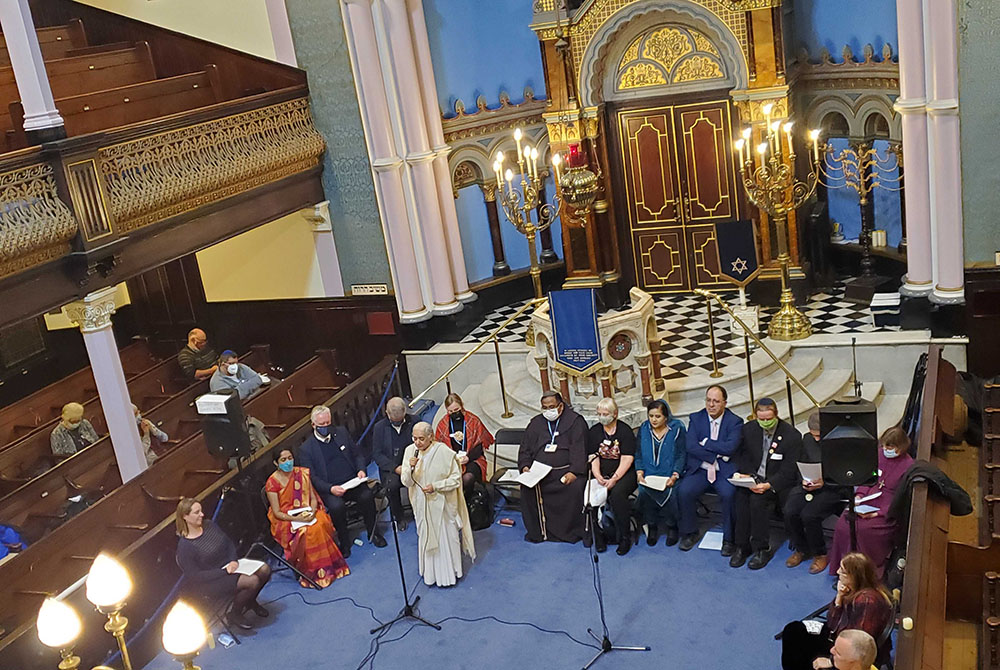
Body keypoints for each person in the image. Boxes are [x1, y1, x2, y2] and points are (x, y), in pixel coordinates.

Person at [297, 405, 386, 558]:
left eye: (327, 423)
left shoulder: (341, 433)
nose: (326, 427)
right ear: (313, 425)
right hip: (330, 488)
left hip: (352, 481)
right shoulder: (307, 449)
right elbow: (312, 477)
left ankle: (374, 532)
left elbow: (357, 454)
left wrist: (361, 470)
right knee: (336, 507)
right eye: (322, 425)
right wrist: (331, 489)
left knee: (366, 496)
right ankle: (344, 541)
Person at [781, 552, 893, 670]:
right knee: (793, 630)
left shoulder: (867, 602)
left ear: (854, 576)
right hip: (838, 632)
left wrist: (831, 661)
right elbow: (831, 622)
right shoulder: (852, 590)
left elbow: (857, 645)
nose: (838, 571)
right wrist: (839, 597)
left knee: (797, 642)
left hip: (847, 647)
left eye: (843, 571)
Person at [828, 425, 914, 577]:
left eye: (891, 447)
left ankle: (861, 572)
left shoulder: (909, 466)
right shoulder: (878, 454)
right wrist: (859, 496)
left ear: (901, 447)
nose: (886, 449)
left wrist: (878, 513)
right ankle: (845, 567)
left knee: (862, 530)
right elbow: (867, 477)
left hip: (887, 508)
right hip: (868, 497)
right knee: (843, 523)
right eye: (885, 445)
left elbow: (901, 498)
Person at [175, 498, 272, 630]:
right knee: (252, 581)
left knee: (265, 570)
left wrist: (233, 560)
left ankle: (249, 600)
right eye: (197, 513)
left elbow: (228, 543)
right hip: (212, 581)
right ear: (185, 517)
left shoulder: (209, 525)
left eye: (201, 511)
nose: (202, 515)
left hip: (230, 566)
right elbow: (195, 576)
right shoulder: (185, 547)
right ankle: (235, 613)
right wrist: (224, 571)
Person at [731, 397, 803, 570]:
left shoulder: (791, 435)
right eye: (761, 419)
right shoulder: (749, 430)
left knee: (758, 502)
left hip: (776, 482)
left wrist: (768, 485)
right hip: (754, 477)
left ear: (776, 415)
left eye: (768, 419)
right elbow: (743, 456)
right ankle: (742, 545)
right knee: (740, 497)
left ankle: (762, 548)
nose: (764, 422)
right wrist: (746, 475)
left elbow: (789, 471)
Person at [401, 422, 476, 587]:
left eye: (421, 438)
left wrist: (436, 486)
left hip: (442, 504)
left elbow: (456, 480)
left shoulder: (444, 452)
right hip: (421, 504)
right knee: (426, 536)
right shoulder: (410, 452)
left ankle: (450, 574)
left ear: (431, 437)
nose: (417, 442)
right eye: (414, 438)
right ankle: (430, 575)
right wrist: (410, 469)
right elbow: (406, 482)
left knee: (445, 538)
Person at [265, 448, 350, 588]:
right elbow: (277, 512)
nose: (288, 462)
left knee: (320, 523)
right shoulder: (272, 483)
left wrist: (311, 511)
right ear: (276, 463)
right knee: (308, 531)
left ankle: (332, 568)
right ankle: (313, 573)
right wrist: (298, 519)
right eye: (283, 460)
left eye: (290, 458)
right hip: (285, 519)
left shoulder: (302, 473)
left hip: (306, 511)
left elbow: (312, 498)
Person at [676, 385, 744, 554]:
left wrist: (706, 443)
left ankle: (729, 539)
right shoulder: (696, 418)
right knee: (684, 491)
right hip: (701, 468)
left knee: (729, 494)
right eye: (708, 400)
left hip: (723, 470)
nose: (711, 405)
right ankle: (690, 532)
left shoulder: (735, 421)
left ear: (724, 403)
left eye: (716, 401)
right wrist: (714, 455)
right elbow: (691, 446)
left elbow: (730, 448)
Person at [518, 391, 588, 543]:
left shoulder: (575, 422)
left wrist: (574, 472)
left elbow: (580, 448)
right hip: (539, 473)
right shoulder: (535, 423)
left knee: (575, 487)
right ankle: (540, 532)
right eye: (544, 408)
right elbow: (525, 449)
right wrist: (525, 467)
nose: (548, 411)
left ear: (561, 406)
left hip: (566, 471)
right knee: (527, 488)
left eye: (551, 407)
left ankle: (570, 532)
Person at [783, 411, 849, 574]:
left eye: (820, 435)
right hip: (809, 483)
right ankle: (801, 548)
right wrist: (804, 480)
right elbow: (800, 463)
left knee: (810, 515)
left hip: (833, 487)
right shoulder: (807, 439)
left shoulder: (839, 443)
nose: (817, 439)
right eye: (814, 436)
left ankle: (820, 553)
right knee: (790, 510)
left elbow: (846, 474)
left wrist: (824, 482)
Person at [586, 398, 637, 555]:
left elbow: (627, 458)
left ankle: (624, 537)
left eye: (605, 414)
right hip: (601, 472)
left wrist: (615, 478)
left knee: (617, 495)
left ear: (615, 414)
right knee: (589, 494)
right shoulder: (594, 432)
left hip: (624, 473)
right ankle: (598, 535)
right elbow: (593, 456)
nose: (602, 417)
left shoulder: (624, 431)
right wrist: (598, 475)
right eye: (599, 414)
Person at [635, 399, 686, 547]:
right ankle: (652, 526)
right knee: (643, 491)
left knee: (671, 492)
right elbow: (638, 453)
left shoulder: (677, 428)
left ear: (666, 417)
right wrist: (639, 473)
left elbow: (681, 454)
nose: (653, 420)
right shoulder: (644, 428)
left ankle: (672, 526)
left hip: (669, 474)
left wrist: (675, 475)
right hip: (649, 474)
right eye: (651, 416)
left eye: (658, 416)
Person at [434, 393, 494, 494]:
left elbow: (480, 445)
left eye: (456, 410)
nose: (454, 413)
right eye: (450, 411)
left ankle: (466, 501)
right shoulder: (443, 424)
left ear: (462, 406)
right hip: (451, 461)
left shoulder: (473, 420)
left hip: (473, 458)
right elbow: (439, 447)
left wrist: (468, 458)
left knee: (467, 478)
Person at [372, 397, 417, 530]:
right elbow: (377, 454)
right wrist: (395, 468)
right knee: (392, 486)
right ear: (387, 413)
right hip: (392, 468)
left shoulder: (415, 421)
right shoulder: (379, 428)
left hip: (413, 464)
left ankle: (420, 511)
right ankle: (399, 516)